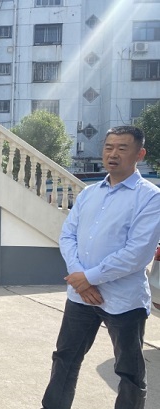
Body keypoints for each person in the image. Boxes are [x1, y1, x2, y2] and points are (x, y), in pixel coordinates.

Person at [41, 126, 160, 409]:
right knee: (65, 359)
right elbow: (67, 236)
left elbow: (137, 252)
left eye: (122, 148)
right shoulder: (89, 194)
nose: (113, 154)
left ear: (139, 154)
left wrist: (88, 278)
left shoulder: (150, 197)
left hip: (124, 300)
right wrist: (79, 278)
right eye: (109, 147)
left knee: (129, 372)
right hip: (80, 297)